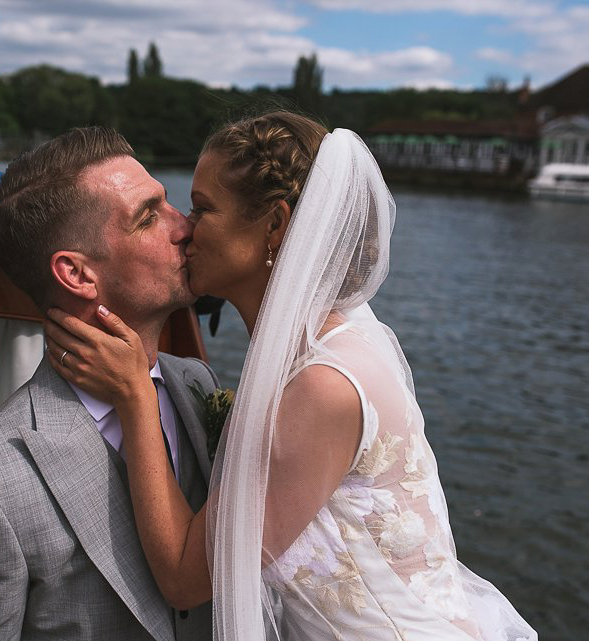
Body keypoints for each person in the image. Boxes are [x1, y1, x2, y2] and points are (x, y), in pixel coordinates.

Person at [45, 112, 538, 641]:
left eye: (203, 208)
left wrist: (135, 397)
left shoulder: (324, 385)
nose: (185, 227)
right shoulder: (331, 340)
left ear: (275, 226)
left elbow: (186, 580)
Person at [0, 127, 217, 641]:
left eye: (170, 205)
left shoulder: (196, 384)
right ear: (77, 274)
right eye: (149, 216)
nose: (185, 227)